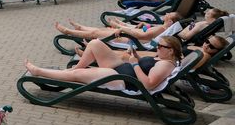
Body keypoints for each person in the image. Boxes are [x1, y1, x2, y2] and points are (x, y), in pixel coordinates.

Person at [25, 36, 183, 92]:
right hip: (122, 68)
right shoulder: (163, 58)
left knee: (77, 74)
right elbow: (146, 67)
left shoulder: (165, 65)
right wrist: (135, 56)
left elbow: (148, 85)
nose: (157, 47)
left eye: (161, 46)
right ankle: (75, 69)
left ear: (171, 51)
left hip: (122, 78)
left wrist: (135, 64)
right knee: (95, 43)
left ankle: (38, 71)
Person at [54, 12, 182, 43]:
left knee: (96, 33)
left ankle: (68, 31)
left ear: (170, 21)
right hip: (129, 35)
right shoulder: (161, 27)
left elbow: (141, 36)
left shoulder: (161, 29)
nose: (165, 14)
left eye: (168, 15)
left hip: (129, 40)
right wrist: (145, 25)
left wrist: (122, 28)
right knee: (100, 30)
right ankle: (80, 27)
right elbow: (145, 31)